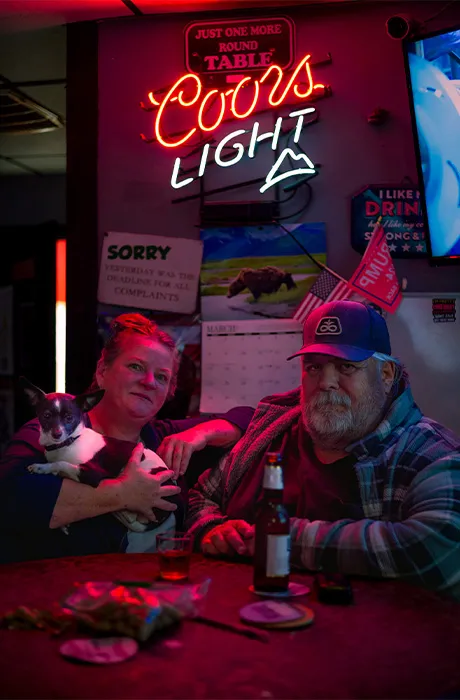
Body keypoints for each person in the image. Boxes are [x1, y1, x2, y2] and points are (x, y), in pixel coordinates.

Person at [186, 300, 460, 597]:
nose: (326, 382)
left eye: (346, 366)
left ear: (386, 375)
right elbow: (199, 497)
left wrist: (283, 539)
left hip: (356, 638)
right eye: (314, 366)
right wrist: (210, 528)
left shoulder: (429, 452)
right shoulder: (269, 430)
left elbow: (440, 550)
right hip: (234, 624)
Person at [0, 313, 254, 563]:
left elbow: (252, 419)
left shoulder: (163, 438)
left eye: (162, 377)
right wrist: (122, 494)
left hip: (149, 596)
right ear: (102, 371)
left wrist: (201, 433)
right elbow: (11, 498)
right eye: (136, 367)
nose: (149, 382)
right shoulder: (54, 434)